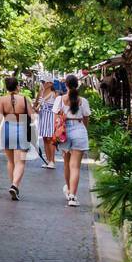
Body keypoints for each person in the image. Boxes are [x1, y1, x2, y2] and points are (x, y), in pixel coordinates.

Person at [0, 76, 34, 199]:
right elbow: (32, 117)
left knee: (11, 161)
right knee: (20, 161)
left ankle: (14, 186)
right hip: (21, 128)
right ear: (17, 86)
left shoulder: (2, 100)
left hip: (6, 129)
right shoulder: (24, 99)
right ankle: (15, 185)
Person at [54, 75, 91, 207]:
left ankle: (69, 189)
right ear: (77, 85)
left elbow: (56, 119)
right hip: (80, 129)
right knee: (75, 166)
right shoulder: (83, 101)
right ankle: (72, 197)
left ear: (66, 85)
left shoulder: (60, 99)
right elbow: (86, 119)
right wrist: (84, 131)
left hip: (64, 131)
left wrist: (56, 136)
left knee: (66, 164)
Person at [36, 78, 59, 169]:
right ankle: (48, 160)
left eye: (44, 82)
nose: (43, 83)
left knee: (50, 139)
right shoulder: (41, 92)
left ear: (50, 83)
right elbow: (37, 105)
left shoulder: (54, 94)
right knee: (45, 139)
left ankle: (52, 161)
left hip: (50, 117)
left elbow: (58, 107)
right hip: (42, 116)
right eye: (42, 82)